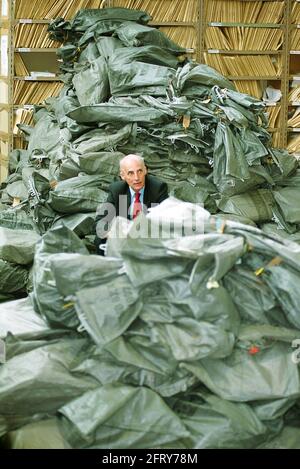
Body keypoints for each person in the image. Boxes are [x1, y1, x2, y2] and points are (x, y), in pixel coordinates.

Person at [94, 154, 168, 254]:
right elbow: (100, 221)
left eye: (140, 171)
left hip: (148, 235)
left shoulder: (157, 188)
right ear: (123, 176)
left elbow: (166, 219)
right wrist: (112, 233)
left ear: (145, 170)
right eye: (131, 173)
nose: (137, 178)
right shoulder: (117, 190)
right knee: (100, 239)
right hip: (123, 237)